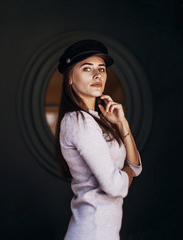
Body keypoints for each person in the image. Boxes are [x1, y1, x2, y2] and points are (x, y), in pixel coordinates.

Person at [55, 39, 142, 240]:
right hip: (91, 232)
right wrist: (129, 172)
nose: (97, 75)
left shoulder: (96, 121)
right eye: (87, 69)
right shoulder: (78, 121)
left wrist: (122, 125)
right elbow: (115, 186)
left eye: (101, 69)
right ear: (69, 78)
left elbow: (136, 166)